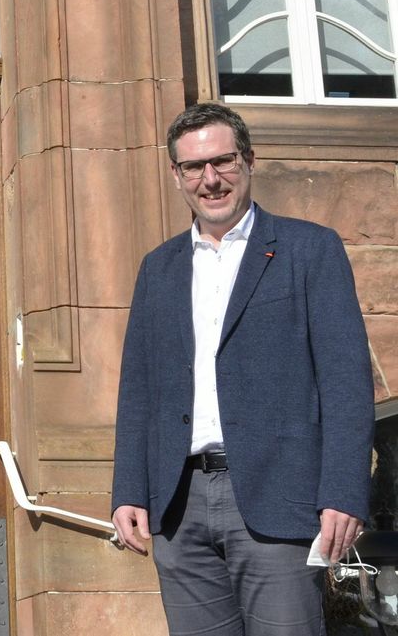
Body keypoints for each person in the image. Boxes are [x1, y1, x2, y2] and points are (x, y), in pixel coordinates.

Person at [111, 103, 374, 635]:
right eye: (193, 167)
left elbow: (346, 380)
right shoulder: (158, 268)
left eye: (223, 161)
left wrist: (343, 492)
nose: (211, 180)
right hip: (179, 505)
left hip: (278, 500)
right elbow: (138, 389)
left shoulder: (308, 249)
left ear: (250, 160)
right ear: (176, 175)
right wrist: (128, 490)